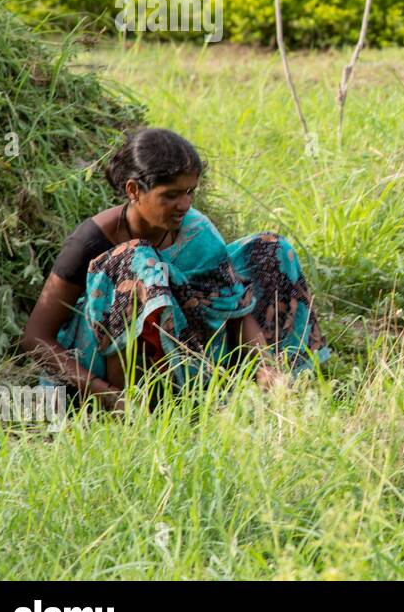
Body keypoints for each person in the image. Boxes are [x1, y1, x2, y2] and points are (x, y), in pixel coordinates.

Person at [21, 128, 329, 410]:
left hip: (186, 352)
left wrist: (265, 367)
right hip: (100, 367)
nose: (184, 204)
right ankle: (145, 405)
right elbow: (36, 336)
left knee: (270, 248)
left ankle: (270, 384)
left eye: (190, 192)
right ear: (133, 190)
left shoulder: (196, 230)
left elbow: (234, 307)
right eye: (170, 195)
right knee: (135, 259)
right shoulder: (89, 242)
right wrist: (104, 393)